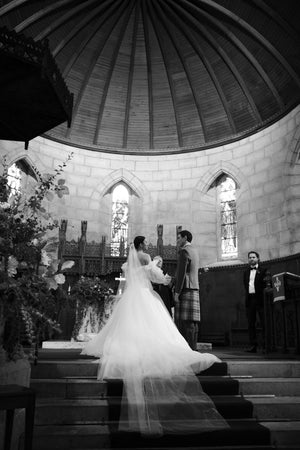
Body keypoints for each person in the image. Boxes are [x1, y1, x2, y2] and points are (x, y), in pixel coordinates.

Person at [81, 236, 228, 436]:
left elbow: (136, 274)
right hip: (144, 294)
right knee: (154, 324)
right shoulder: (146, 256)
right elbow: (154, 276)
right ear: (142, 244)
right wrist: (165, 277)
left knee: (129, 325)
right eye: (145, 243)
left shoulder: (129, 261)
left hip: (131, 297)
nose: (147, 245)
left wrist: (154, 267)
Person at [174, 230, 200, 351]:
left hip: (186, 288)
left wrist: (177, 292)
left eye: (179, 238)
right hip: (194, 288)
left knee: (185, 322)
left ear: (185, 238)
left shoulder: (184, 251)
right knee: (193, 322)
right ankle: (193, 348)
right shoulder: (194, 251)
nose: (177, 240)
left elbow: (181, 273)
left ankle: (188, 351)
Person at [243, 251, 268, 353]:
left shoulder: (263, 270)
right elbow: (246, 285)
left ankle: (266, 345)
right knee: (251, 323)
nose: (251, 259)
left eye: (253, 257)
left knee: (264, 323)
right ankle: (253, 345)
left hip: (261, 299)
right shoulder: (246, 272)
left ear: (258, 258)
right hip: (250, 300)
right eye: (250, 257)